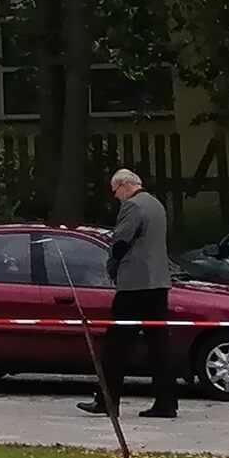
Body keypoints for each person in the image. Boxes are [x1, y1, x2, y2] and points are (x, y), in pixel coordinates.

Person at [81, 168, 178, 419]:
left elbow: (121, 240)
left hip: (135, 284)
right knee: (160, 346)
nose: (116, 197)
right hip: (159, 282)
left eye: (116, 192)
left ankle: (106, 401)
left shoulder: (133, 206)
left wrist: (113, 264)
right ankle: (167, 403)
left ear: (124, 185)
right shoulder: (156, 205)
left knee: (116, 345)